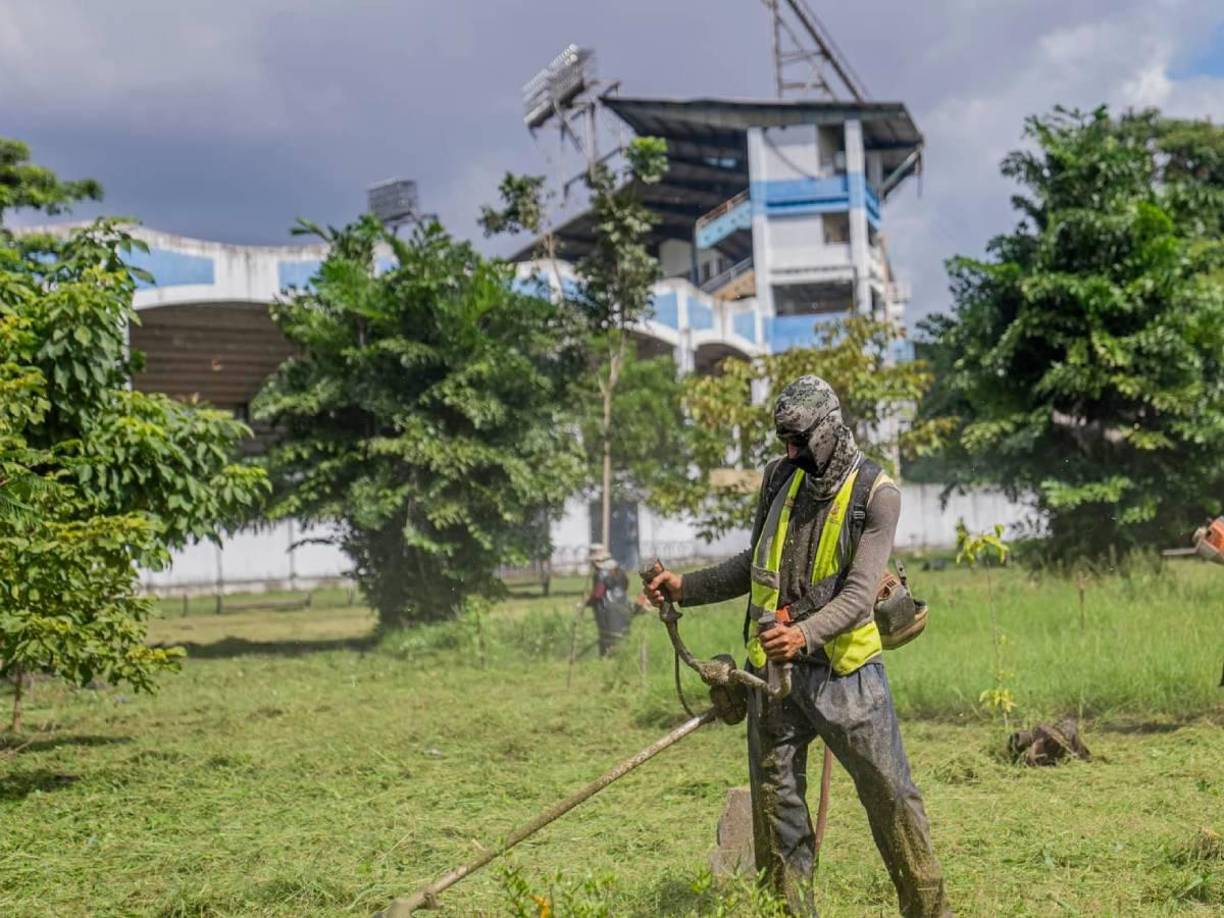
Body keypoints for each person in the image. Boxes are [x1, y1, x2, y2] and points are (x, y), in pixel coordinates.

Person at [645, 375, 950, 917]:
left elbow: (859, 595)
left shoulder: (877, 495)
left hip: (846, 677)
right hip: (774, 677)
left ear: (830, 428)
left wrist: (803, 633)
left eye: (799, 439)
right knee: (778, 811)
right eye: (783, 439)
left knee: (891, 798)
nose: (789, 450)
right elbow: (753, 562)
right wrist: (685, 587)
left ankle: (928, 912)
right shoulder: (778, 478)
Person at [584, 544, 631, 656]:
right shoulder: (618, 569)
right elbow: (626, 584)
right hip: (623, 604)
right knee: (621, 634)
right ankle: (621, 655)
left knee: (607, 635)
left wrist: (587, 602)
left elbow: (598, 594)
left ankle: (606, 657)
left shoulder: (600, 573)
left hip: (606, 608)